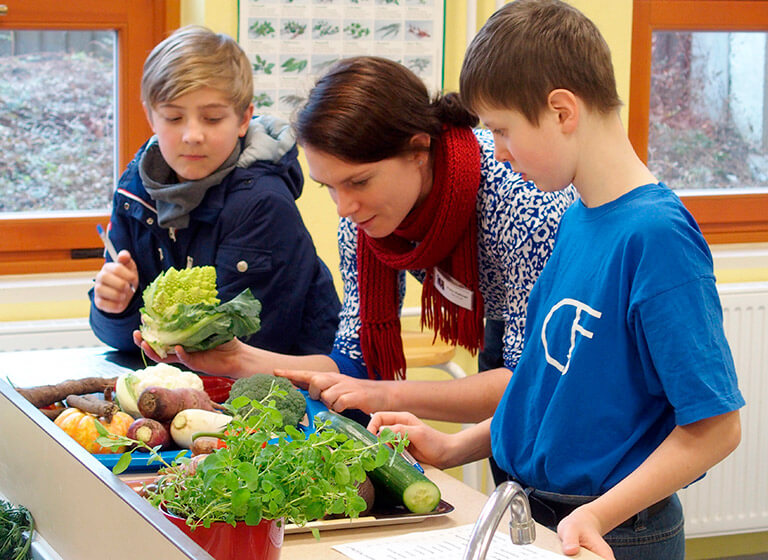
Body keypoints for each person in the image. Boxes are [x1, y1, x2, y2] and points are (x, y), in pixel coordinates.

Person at [368, 2, 745, 559]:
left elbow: (716, 428)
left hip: (616, 530)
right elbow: (548, 392)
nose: (497, 152)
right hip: (541, 512)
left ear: (563, 111)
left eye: (502, 130)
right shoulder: (575, 217)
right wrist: (453, 446)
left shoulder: (656, 237)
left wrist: (597, 513)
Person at [135, 55, 576, 427]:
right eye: (328, 186)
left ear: (418, 151)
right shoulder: (365, 222)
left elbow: (527, 383)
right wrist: (235, 358)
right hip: (508, 329)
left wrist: (383, 396)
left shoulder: (521, 202)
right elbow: (352, 361)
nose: (343, 207)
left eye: (359, 181)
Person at [90, 25, 340, 356]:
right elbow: (123, 341)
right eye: (174, 117)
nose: (192, 135)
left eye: (211, 118)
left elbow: (240, 346)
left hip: (287, 388)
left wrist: (149, 328)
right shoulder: (134, 190)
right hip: (192, 377)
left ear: (243, 119)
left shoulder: (262, 203)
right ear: (151, 116)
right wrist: (114, 306)